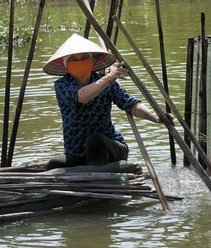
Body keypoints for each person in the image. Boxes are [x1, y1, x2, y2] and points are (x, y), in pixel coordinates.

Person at [43, 34, 164, 169]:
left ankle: (98, 175)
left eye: (84, 58)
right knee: (54, 164)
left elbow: (131, 105)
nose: (79, 61)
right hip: (77, 153)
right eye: (73, 59)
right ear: (65, 65)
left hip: (108, 148)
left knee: (94, 141)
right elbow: (83, 96)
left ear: (92, 61)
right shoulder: (62, 85)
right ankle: (89, 171)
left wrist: (154, 116)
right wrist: (110, 77)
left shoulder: (108, 83)